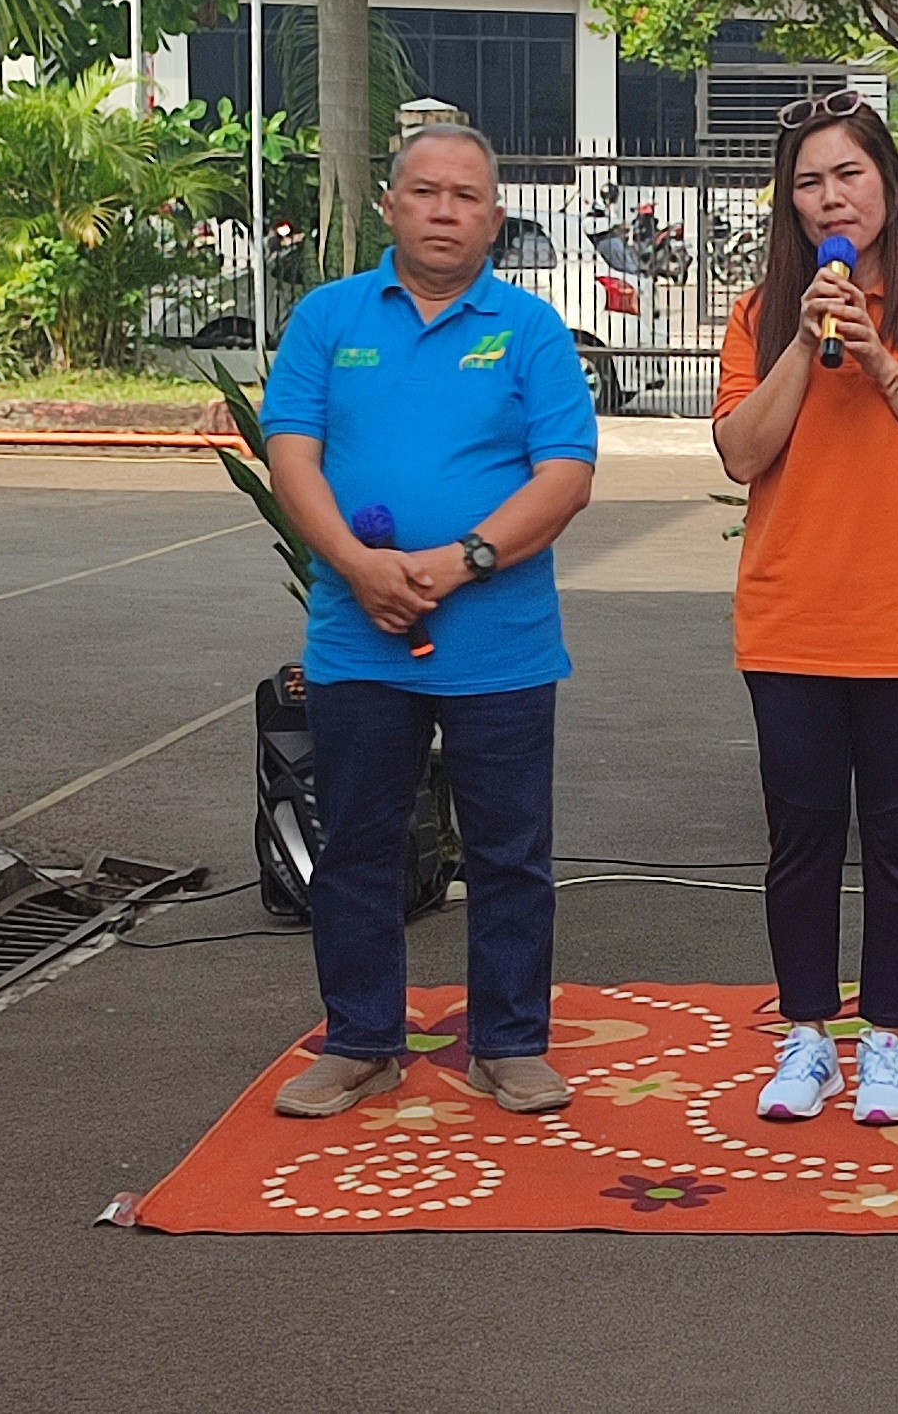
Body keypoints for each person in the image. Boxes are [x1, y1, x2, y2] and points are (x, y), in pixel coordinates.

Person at [261, 124, 596, 1119]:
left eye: (466, 195)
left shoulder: (531, 330)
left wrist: (464, 561)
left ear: (494, 216)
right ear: (390, 205)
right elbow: (292, 458)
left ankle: (509, 1043)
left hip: (501, 646)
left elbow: (567, 473)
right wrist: (359, 569)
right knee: (359, 843)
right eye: (426, 192)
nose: (445, 210)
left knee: (510, 851)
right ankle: (363, 1040)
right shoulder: (328, 319)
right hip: (358, 641)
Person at [713, 91, 898, 1127]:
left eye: (848, 173)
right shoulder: (761, 317)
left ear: (886, 181)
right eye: (808, 180)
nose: (830, 194)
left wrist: (881, 361)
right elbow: (743, 451)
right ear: (788, 203)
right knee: (799, 836)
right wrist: (806, 343)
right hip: (793, 620)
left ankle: (887, 1039)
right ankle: (806, 1036)